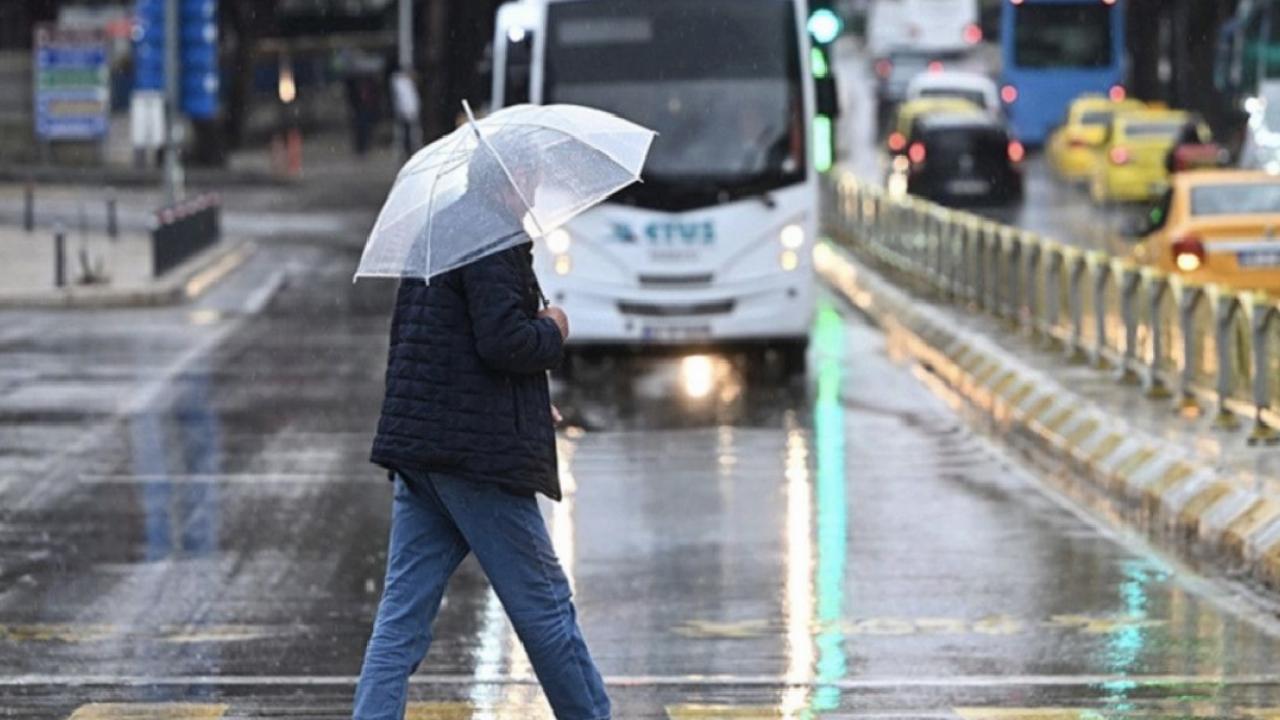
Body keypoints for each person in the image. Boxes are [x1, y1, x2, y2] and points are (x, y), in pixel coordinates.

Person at [353, 139, 611, 720]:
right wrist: (553, 329)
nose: (537, 189)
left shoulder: (439, 228)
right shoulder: (494, 238)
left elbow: (436, 347)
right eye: (534, 175)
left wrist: (521, 401)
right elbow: (503, 341)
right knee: (547, 612)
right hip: (478, 463)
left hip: (423, 455)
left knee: (400, 623)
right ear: (511, 174)